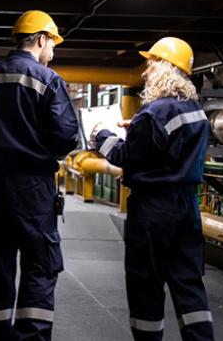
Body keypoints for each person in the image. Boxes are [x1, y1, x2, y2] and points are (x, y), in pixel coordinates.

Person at [90, 37, 215, 341]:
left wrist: (101, 135)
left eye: (150, 64)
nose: (145, 72)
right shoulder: (196, 112)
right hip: (187, 208)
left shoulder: (153, 113)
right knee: (189, 285)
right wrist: (137, 129)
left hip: (153, 211)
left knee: (146, 285)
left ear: (165, 68)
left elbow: (127, 157)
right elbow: (167, 147)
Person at [0, 10, 79, 341]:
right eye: (52, 44)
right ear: (41, 39)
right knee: (40, 267)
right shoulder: (48, 80)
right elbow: (66, 137)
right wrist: (47, 157)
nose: (53, 52)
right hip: (33, 187)